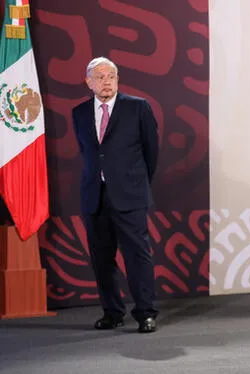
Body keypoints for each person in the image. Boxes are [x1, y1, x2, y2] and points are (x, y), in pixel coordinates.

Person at [72, 57, 160, 333]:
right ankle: (112, 312)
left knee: (137, 255)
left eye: (111, 75)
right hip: (94, 196)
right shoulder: (80, 112)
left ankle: (145, 312)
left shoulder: (138, 107)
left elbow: (151, 153)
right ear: (89, 82)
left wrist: (135, 183)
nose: (106, 80)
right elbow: (89, 153)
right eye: (100, 76)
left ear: (118, 80)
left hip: (130, 194)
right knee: (101, 257)